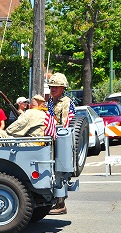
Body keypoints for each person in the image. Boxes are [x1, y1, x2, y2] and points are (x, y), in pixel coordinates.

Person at [46, 72, 73, 215]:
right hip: (50, 139)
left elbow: (65, 123)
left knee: (59, 171)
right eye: (51, 86)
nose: (53, 89)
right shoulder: (51, 102)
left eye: (56, 86)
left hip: (60, 139)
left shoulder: (66, 102)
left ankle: (61, 203)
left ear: (63, 88)